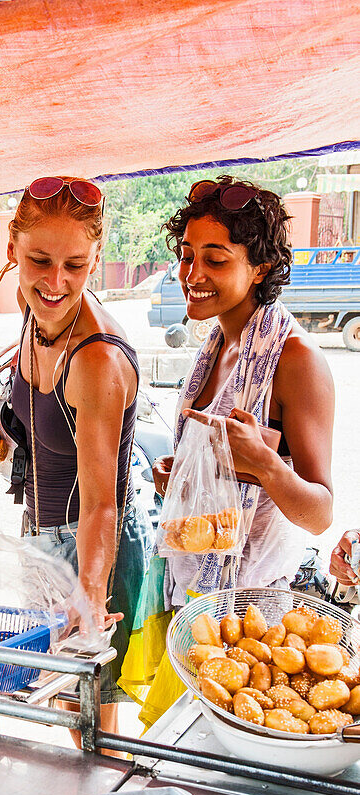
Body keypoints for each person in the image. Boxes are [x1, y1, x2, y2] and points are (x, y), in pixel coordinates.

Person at [0, 176, 152, 726]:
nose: (55, 281)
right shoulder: (39, 310)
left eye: (76, 266)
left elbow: (100, 504)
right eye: (39, 261)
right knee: (59, 697)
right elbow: (36, 340)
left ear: (95, 258)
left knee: (87, 711)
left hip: (96, 544)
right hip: (42, 531)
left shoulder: (96, 362)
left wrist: (91, 596)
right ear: (12, 249)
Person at [154, 177, 334, 606]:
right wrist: (181, 476)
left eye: (215, 261)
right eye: (186, 256)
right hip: (189, 594)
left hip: (253, 608)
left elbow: (320, 515)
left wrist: (267, 465)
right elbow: (221, 471)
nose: (192, 275)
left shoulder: (295, 359)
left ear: (261, 268)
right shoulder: (214, 346)